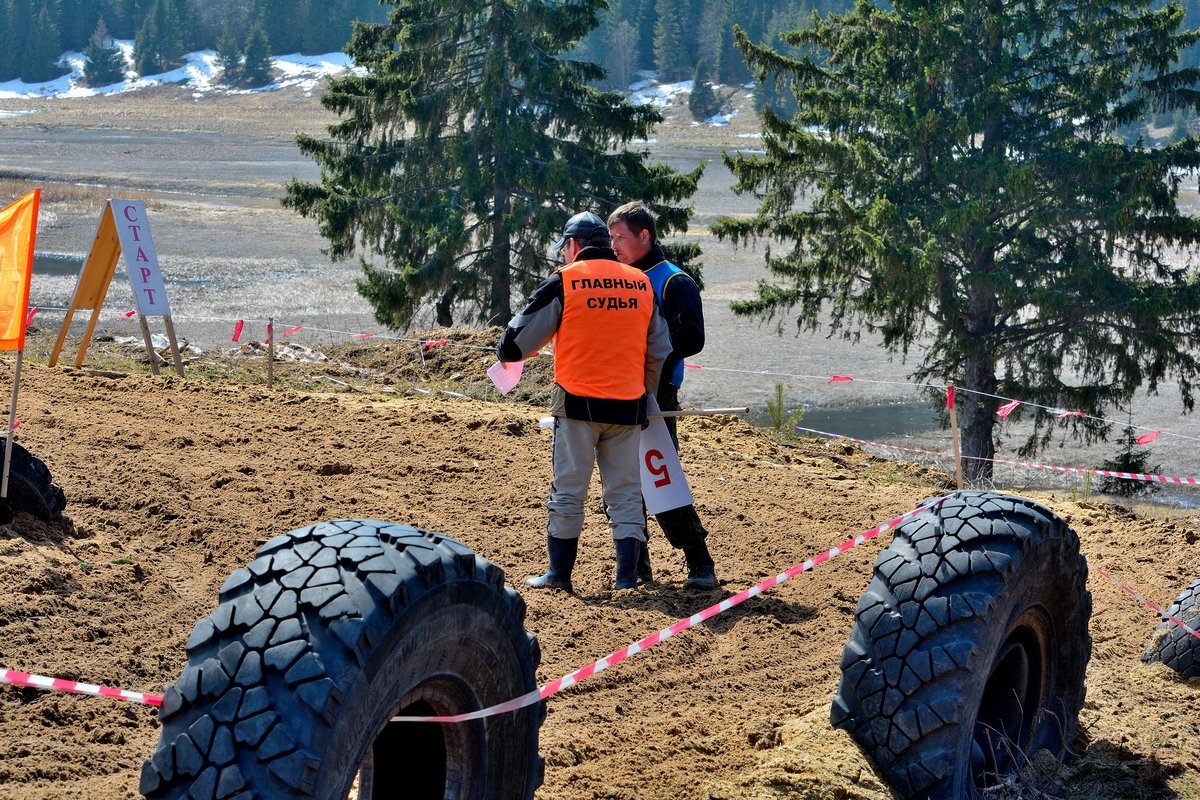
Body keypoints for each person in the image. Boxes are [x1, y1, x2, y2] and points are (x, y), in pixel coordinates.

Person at [497, 211, 672, 591]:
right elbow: (660, 347)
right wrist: (644, 392)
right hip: (628, 405)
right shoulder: (641, 283)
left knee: (568, 492)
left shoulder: (566, 281)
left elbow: (513, 345)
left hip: (577, 405)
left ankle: (560, 575)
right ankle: (626, 578)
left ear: (573, 246)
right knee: (626, 493)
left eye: (564, 247)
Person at [607, 201, 719, 590]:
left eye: (620, 237)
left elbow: (692, 338)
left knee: (660, 477)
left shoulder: (674, 281)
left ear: (645, 236)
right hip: (614, 390)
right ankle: (638, 565)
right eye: (610, 237)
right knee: (621, 480)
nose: (614, 244)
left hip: (657, 394)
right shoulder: (616, 278)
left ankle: (699, 563)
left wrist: (649, 359)